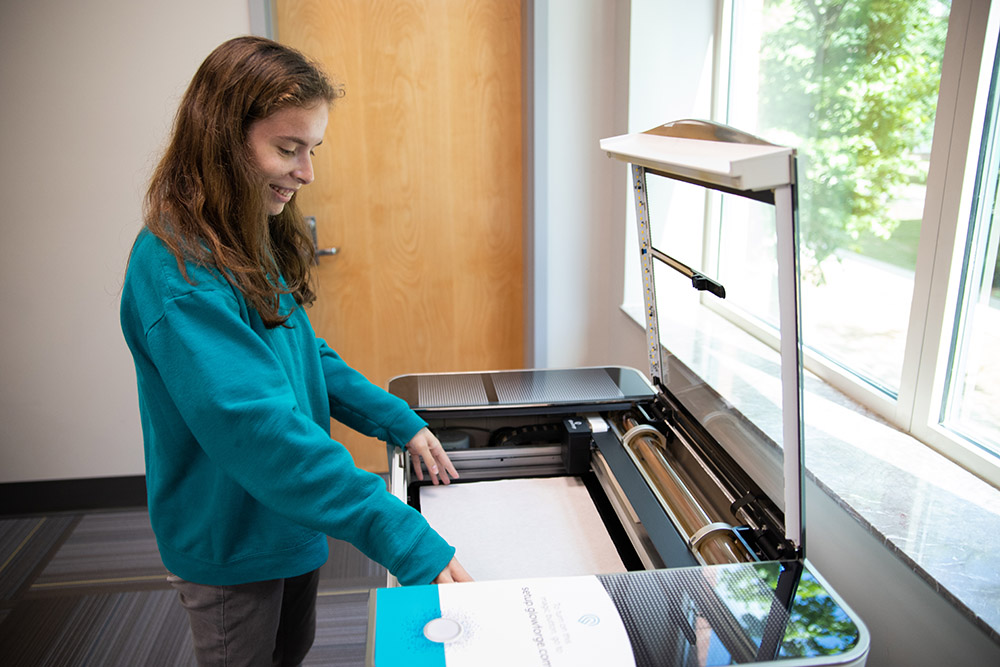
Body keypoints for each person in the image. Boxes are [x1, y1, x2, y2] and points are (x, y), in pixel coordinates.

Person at [120, 36, 472, 666]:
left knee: (293, 651)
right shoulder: (176, 270)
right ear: (223, 140)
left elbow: (308, 353)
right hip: (232, 538)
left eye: (311, 150)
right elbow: (256, 427)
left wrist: (397, 420)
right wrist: (397, 531)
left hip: (287, 517)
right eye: (288, 149)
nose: (306, 172)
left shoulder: (240, 232)